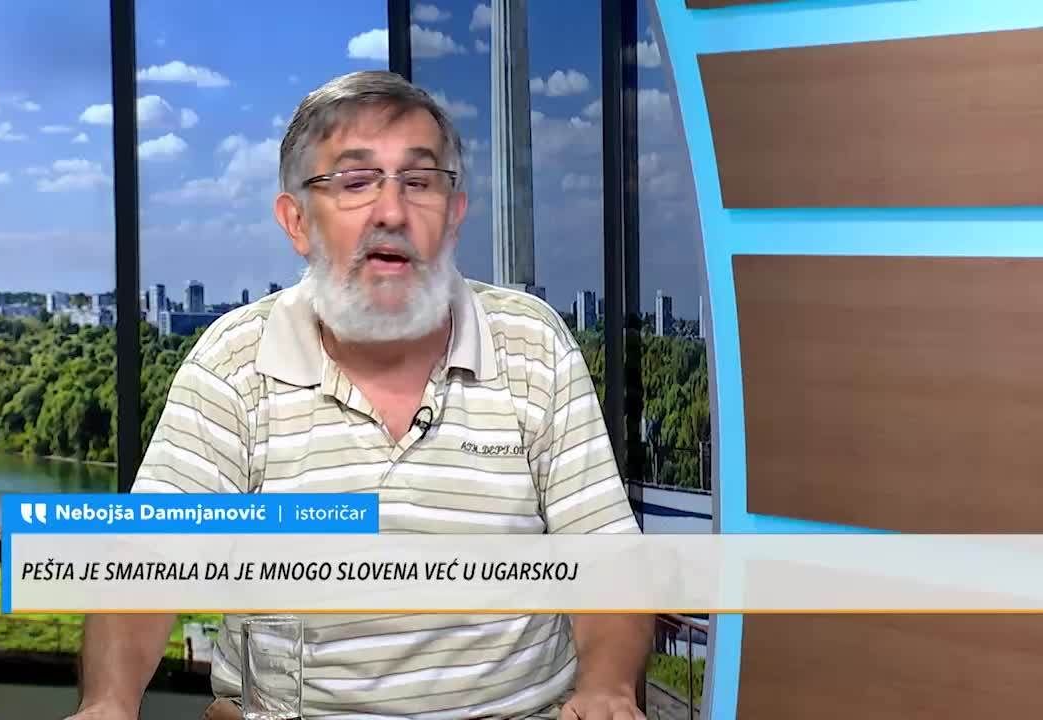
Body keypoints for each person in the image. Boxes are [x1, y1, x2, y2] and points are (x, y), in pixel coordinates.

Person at [66, 70, 652, 720]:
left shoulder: (531, 343)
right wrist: (108, 704)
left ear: (454, 216)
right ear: (296, 222)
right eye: (355, 181)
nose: (392, 212)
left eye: (419, 182)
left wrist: (607, 689)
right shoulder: (234, 360)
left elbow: (609, 561)